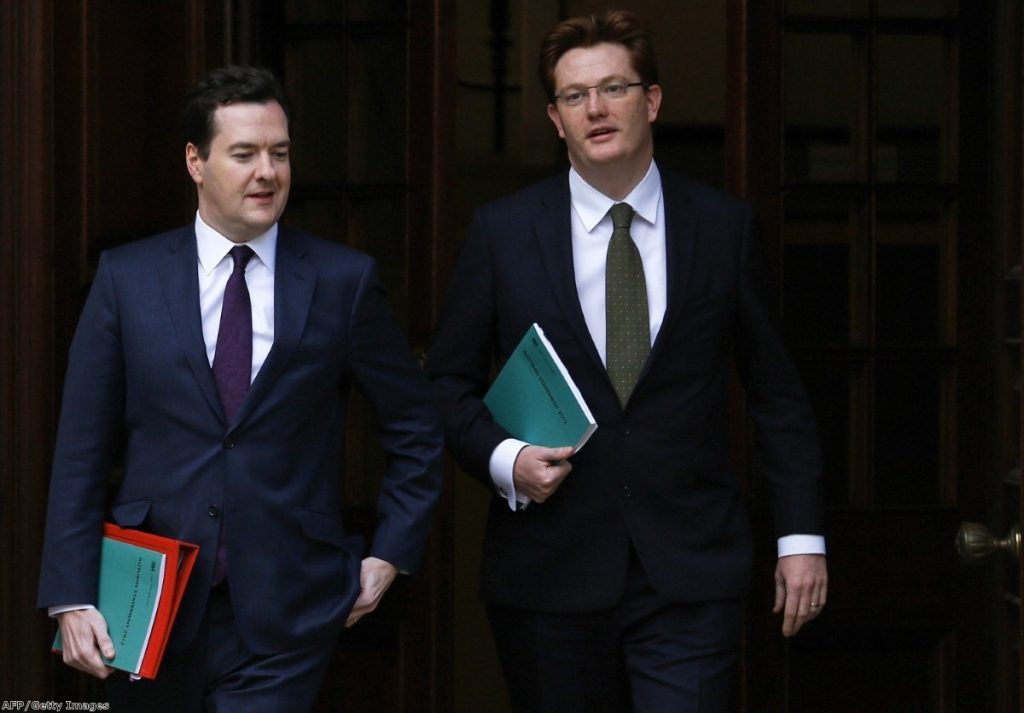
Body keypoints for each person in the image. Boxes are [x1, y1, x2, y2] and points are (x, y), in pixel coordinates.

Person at [427, 10, 827, 713]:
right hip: (548, 573)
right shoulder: (502, 233)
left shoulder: (723, 228)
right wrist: (505, 459)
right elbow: (446, 385)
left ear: (654, 100)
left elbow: (777, 393)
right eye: (575, 96)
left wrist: (801, 536)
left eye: (614, 87)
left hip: (690, 570)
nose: (597, 108)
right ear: (555, 118)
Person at [36, 65, 443, 712]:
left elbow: (416, 427)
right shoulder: (127, 278)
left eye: (279, 154)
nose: (268, 172)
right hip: (146, 608)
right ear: (196, 161)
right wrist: (70, 590)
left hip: (290, 607)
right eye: (245, 153)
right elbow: (82, 446)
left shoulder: (343, 281)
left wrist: (389, 553)